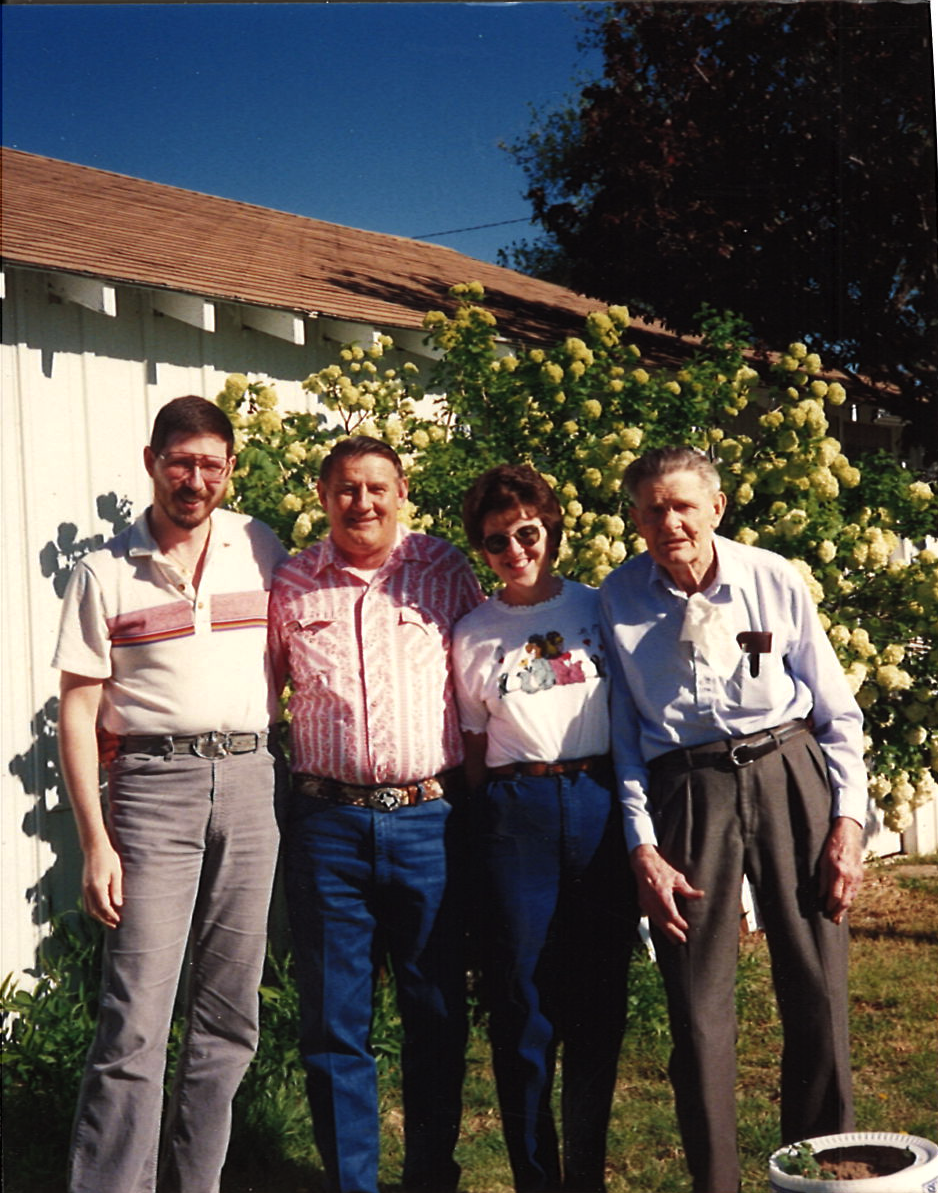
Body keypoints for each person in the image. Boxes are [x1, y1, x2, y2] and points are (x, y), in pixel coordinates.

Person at [598, 446, 867, 1193]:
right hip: (687, 790)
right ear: (636, 518)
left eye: (683, 504)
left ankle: (825, 1173)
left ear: (716, 508)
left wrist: (848, 823)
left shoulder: (772, 577)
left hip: (788, 773)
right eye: (651, 508)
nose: (668, 521)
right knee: (696, 1005)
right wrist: (643, 847)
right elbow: (623, 738)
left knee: (817, 987)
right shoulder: (618, 598)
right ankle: (716, 1181)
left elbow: (837, 710)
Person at [54, 395, 288, 1193]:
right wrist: (96, 841)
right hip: (154, 789)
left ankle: (198, 1182)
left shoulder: (260, 546)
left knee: (230, 1013)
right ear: (151, 460)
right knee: (136, 1017)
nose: (196, 479)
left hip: (252, 781)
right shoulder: (104, 571)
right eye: (181, 461)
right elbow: (79, 711)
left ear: (230, 468)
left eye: (211, 464)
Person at [268, 435, 483, 1193]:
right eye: (347, 488)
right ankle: (352, 1182)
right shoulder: (291, 582)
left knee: (434, 1010)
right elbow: (262, 691)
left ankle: (429, 1175)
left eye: (377, 487)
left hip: (431, 821)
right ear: (325, 495)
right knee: (333, 1024)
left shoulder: (445, 569)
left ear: (402, 493)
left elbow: (485, 676)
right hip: (327, 828)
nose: (363, 502)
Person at [453, 465, 634, 1193]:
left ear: (550, 529)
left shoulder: (598, 607)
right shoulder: (472, 631)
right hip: (514, 814)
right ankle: (536, 1177)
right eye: (497, 540)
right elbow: (470, 750)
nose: (515, 549)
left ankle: (585, 1174)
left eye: (527, 532)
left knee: (596, 999)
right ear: (483, 549)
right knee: (521, 1002)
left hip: (596, 800)